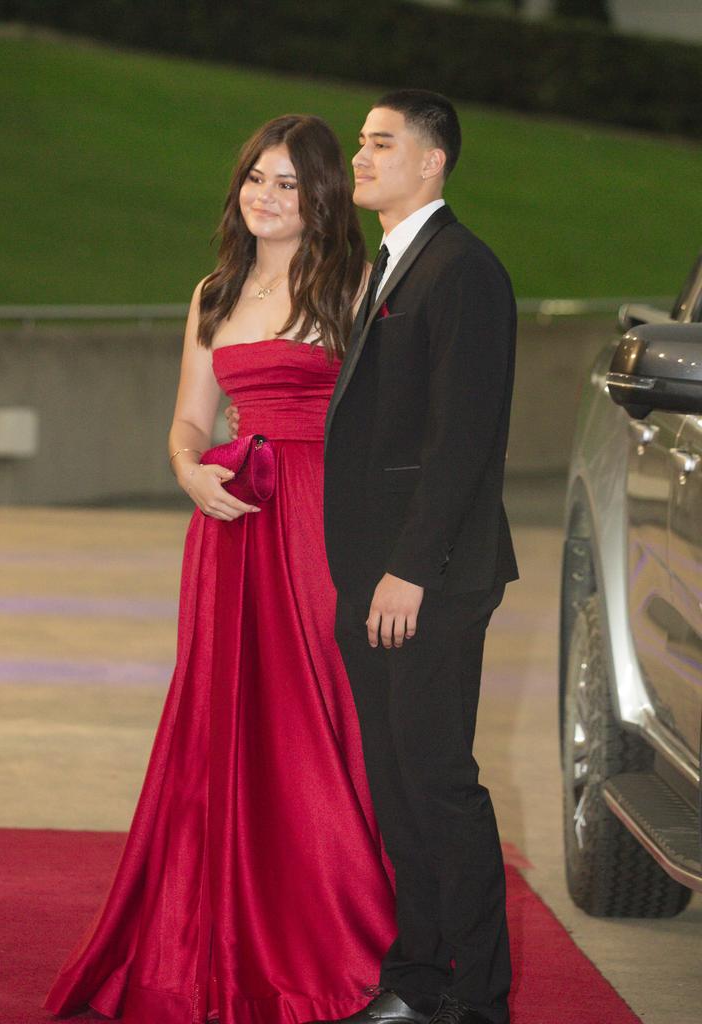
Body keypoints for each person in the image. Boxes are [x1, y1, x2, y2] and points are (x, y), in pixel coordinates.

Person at [44, 114, 396, 1024]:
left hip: (322, 519)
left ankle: (347, 936)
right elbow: (189, 421)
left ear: (321, 196)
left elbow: (393, 425)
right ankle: (218, 932)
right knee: (225, 720)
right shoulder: (213, 291)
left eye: (287, 183)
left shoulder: (356, 284)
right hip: (231, 523)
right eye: (254, 179)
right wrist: (188, 472)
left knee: (319, 712)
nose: (265, 197)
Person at [317, 90, 518, 1024]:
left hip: (426, 578)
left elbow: (460, 441)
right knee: (398, 788)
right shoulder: (394, 266)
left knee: (438, 784)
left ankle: (477, 1001)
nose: (361, 156)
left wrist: (410, 568)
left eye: (381, 142)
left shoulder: (462, 272)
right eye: (361, 141)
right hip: (375, 579)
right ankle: (418, 984)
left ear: (432, 161)